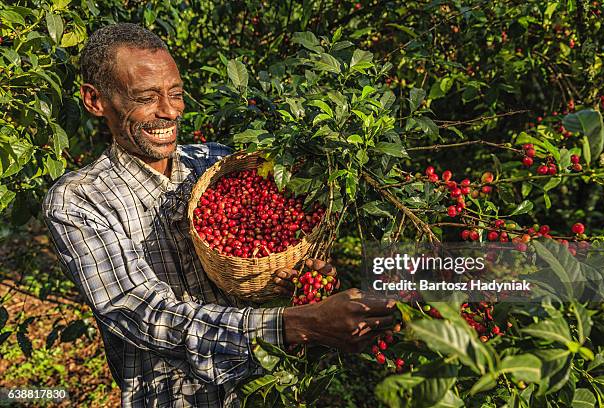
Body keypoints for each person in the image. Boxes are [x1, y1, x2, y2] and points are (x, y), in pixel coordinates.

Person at [42, 23, 396, 407]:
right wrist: (300, 323)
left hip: (266, 390)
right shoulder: (78, 201)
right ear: (95, 101)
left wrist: (302, 284)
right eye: (146, 97)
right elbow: (146, 315)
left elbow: (265, 263)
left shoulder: (214, 162)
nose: (169, 110)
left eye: (175, 94)